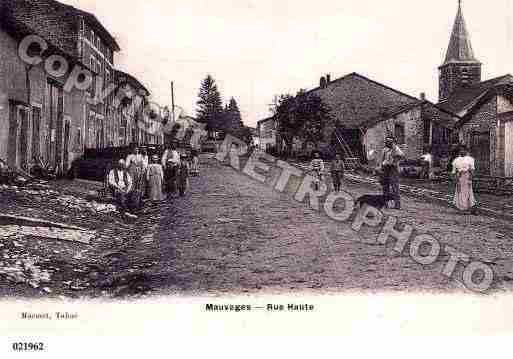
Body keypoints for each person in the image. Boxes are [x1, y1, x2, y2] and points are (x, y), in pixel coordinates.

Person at [381, 137, 405, 209]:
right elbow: (382, 159)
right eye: (386, 142)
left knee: (395, 187)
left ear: (392, 143)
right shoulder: (384, 150)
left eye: (389, 142)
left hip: (393, 169)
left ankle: (397, 205)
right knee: (385, 186)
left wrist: (395, 160)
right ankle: (385, 203)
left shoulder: (396, 149)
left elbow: (402, 155)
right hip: (385, 168)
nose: (387, 143)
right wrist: (381, 167)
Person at [451, 145, 477, 214]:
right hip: (459, 177)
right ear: (459, 151)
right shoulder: (456, 160)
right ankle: (461, 208)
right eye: (461, 150)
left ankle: (469, 207)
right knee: (460, 192)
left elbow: (472, 169)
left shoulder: (470, 159)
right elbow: (454, 171)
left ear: (466, 151)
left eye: (464, 150)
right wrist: (455, 178)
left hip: (467, 176)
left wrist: (471, 177)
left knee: (468, 192)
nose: (462, 151)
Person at [125, 145, 147, 210]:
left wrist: (143, 170)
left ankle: (139, 200)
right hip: (132, 171)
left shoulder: (140, 156)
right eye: (135, 149)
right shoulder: (129, 156)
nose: (136, 150)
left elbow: (143, 164)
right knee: (132, 184)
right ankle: (131, 200)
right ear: (132, 150)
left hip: (139, 171)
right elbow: (127, 165)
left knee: (139, 184)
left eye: (137, 149)